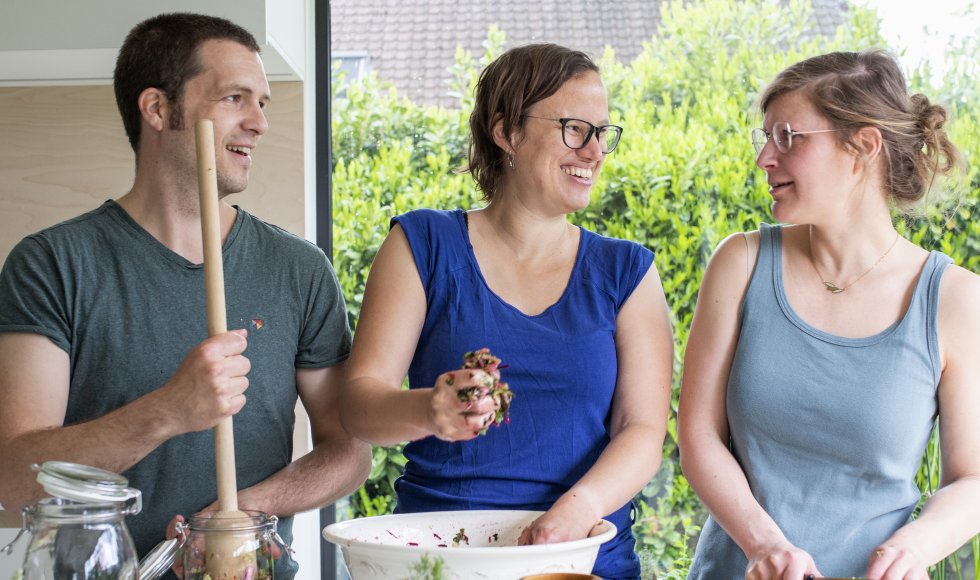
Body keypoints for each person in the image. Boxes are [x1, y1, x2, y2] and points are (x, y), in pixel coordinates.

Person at [0, 12, 370, 577]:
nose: (259, 123)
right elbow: (13, 476)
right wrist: (169, 410)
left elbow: (348, 452)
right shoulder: (52, 263)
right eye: (234, 98)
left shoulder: (298, 269)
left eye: (263, 102)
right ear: (157, 109)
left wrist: (241, 513)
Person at [338, 43, 674, 579]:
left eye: (603, 132)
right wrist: (429, 409)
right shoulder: (423, 244)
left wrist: (578, 509)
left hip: (582, 557)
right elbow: (357, 405)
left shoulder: (626, 272)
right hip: (442, 557)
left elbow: (641, 429)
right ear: (507, 131)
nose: (594, 151)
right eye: (574, 128)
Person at [678, 49, 980, 580]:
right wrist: (765, 546)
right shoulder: (741, 263)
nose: (764, 158)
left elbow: (971, 480)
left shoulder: (954, 300)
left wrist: (912, 547)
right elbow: (698, 436)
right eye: (765, 137)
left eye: (788, 137)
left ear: (862, 145)